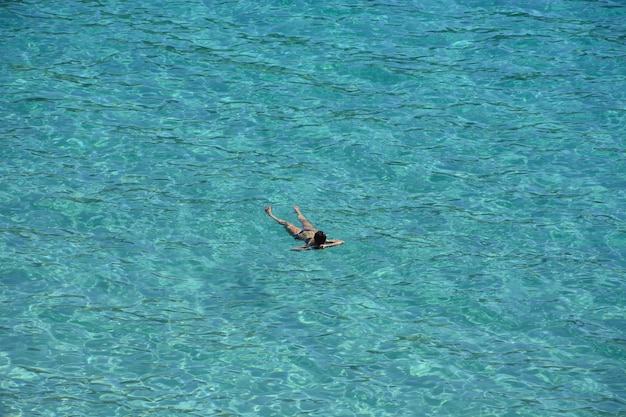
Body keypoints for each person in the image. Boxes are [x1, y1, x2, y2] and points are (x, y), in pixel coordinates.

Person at [265, 205, 345, 251]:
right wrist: (327, 246)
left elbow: (294, 249)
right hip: (310, 230)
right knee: (303, 219)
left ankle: (270, 214)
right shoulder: (325, 241)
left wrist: (310, 248)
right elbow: (341, 241)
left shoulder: (310, 244)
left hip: (299, 233)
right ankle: (298, 211)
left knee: (286, 223)